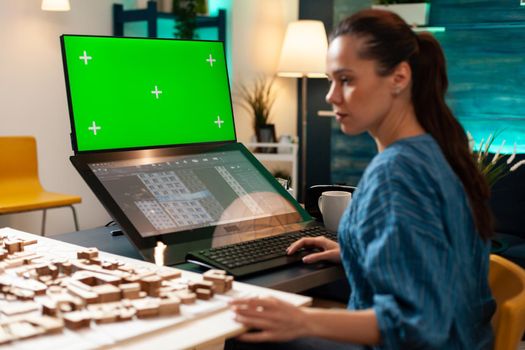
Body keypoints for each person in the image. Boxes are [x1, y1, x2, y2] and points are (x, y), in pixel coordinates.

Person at [226, 8, 495, 350]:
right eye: (330, 81)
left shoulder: (397, 173)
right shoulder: (436, 150)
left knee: (244, 335)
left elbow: (419, 324)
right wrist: (354, 250)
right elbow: (434, 259)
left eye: (347, 80)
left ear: (399, 77)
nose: (331, 95)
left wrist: (302, 319)